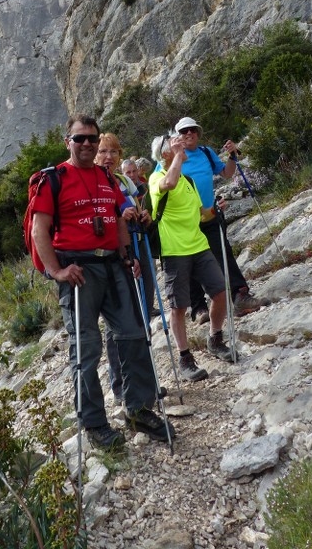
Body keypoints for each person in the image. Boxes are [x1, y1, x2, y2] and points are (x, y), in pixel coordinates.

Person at [31, 114, 174, 448]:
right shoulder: (52, 179)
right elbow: (40, 229)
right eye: (79, 138)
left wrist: (128, 257)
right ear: (67, 141)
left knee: (134, 333)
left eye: (92, 139)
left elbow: (116, 219)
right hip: (77, 270)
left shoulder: (106, 178)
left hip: (113, 264)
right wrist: (57, 272)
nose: (87, 144)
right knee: (86, 349)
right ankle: (94, 423)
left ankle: (138, 409)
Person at [149, 133, 238, 381]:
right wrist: (177, 156)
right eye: (175, 144)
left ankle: (215, 338)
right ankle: (185, 357)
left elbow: (201, 214)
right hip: (174, 251)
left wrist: (215, 210)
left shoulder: (187, 180)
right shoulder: (156, 179)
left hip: (198, 246)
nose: (182, 144)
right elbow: (169, 183)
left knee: (220, 291)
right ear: (165, 153)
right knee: (179, 306)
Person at [174, 116, 269, 322]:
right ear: (177, 136)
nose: (189, 133)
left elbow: (226, 174)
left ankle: (239, 295)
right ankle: (199, 308)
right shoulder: (172, 159)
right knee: (189, 262)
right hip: (184, 221)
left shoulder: (206, 153)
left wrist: (232, 156)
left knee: (223, 254)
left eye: (192, 130)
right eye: (184, 131)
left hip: (210, 216)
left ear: (198, 133)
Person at [95, 135, 158, 405]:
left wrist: (142, 216)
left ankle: (144, 383)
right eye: (103, 151)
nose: (109, 156)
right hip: (113, 254)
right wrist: (121, 219)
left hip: (136, 244)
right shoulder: (94, 182)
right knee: (117, 325)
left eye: (114, 151)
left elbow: (134, 206)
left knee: (142, 315)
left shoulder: (124, 182)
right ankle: (121, 385)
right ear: (95, 155)